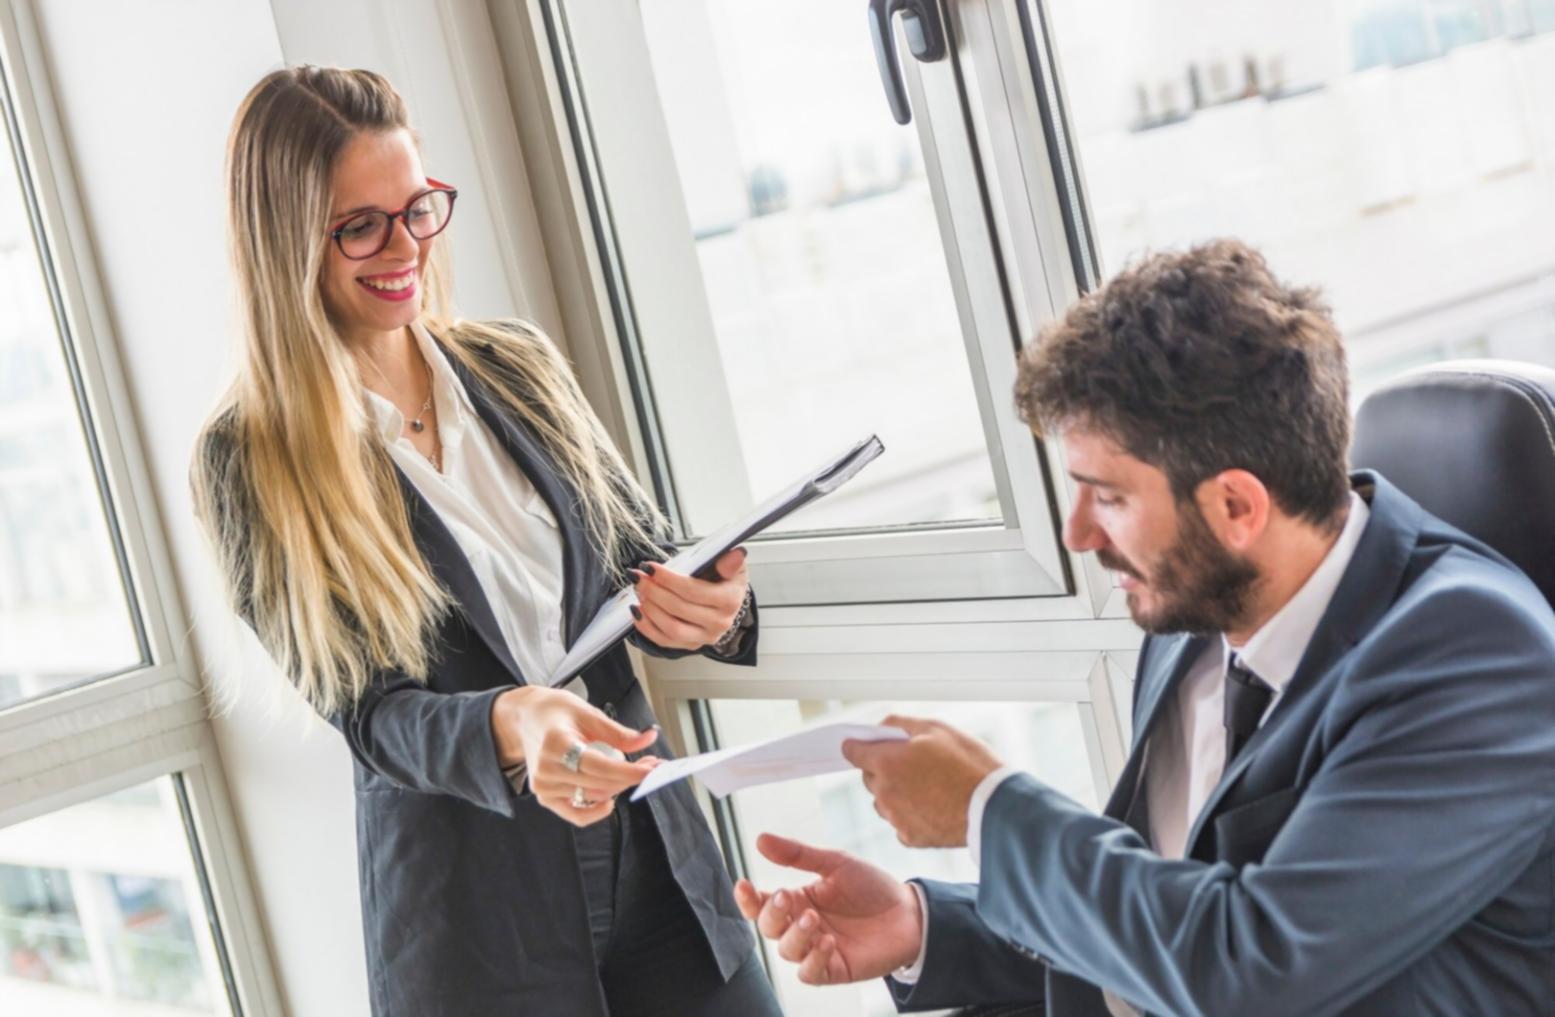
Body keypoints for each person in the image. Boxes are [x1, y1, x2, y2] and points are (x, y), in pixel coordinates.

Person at [735, 239, 1555, 1016]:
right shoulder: (1192, 617)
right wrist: (923, 924)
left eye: (1111, 497)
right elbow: (1155, 912)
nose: (1078, 534)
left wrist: (989, 809)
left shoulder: (1476, 659)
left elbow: (1253, 967)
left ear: (1236, 505)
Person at [192, 66, 781, 1017]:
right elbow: (374, 715)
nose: (405, 246)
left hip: (656, 857)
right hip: (476, 926)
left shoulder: (514, 365)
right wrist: (515, 721)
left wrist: (707, 607)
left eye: (419, 206)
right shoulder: (251, 459)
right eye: (360, 225)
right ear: (283, 242)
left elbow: (640, 558)